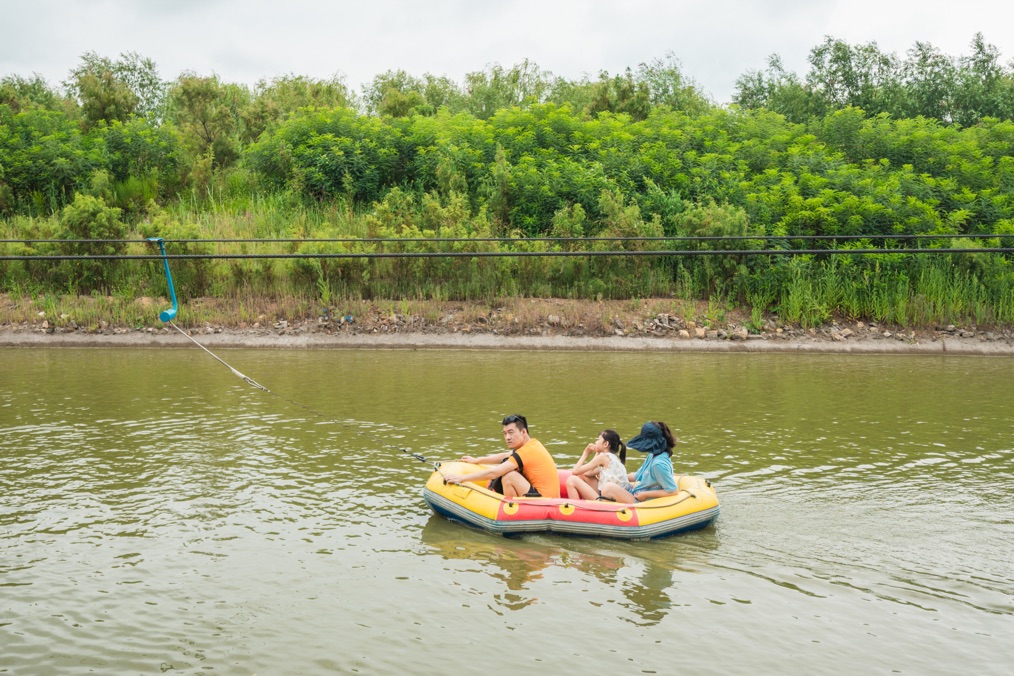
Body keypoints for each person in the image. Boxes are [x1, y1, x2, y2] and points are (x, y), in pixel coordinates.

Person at [444, 414, 560, 499]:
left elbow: (494, 473)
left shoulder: (526, 451)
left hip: (544, 502)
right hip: (548, 498)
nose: (507, 437)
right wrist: (478, 460)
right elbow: (504, 455)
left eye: (511, 432)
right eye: (505, 433)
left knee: (509, 476)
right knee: (506, 464)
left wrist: (461, 478)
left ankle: (511, 511)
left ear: (523, 432)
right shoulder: (532, 444)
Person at [600, 421, 681, 504]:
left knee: (608, 488)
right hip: (635, 492)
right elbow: (638, 475)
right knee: (606, 482)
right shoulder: (652, 455)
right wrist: (617, 476)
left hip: (640, 501)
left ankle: (600, 506)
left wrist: (645, 494)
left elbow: (673, 491)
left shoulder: (658, 464)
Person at [565, 429, 631, 500]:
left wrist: (585, 453)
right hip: (612, 497)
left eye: (598, 440)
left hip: (608, 502)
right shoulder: (613, 458)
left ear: (606, 444)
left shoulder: (603, 457)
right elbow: (588, 473)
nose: (595, 442)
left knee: (571, 480)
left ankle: (576, 506)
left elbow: (575, 471)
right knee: (582, 474)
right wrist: (597, 453)